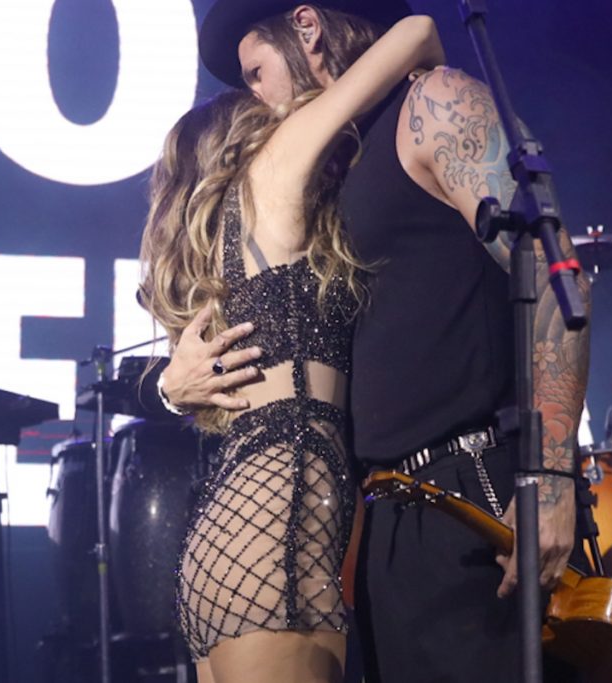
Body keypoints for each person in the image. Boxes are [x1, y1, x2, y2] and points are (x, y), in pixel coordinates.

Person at [163, 2, 594, 682]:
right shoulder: (315, 174)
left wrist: (552, 474)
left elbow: (551, 273)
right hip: (380, 524)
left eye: (256, 72)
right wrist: (172, 383)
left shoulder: (429, 104)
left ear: (306, 28)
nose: (253, 95)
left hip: (477, 490)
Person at [139, 15, 445, 683]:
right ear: (242, 137)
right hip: (279, 540)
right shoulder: (276, 166)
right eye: (249, 91)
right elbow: (419, 29)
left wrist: (166, 390)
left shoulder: (226, 239)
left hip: (224, 541)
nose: (262, 98)